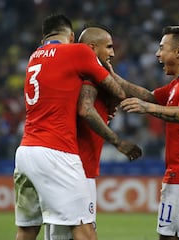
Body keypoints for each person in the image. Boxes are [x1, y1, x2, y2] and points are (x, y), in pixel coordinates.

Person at [14, 14, 129, 240]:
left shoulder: (34, 57)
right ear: (72, 36)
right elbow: (118, 91)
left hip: (25, 152)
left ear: (44, 38)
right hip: (56, 151)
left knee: (27, 231)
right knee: (84, 229)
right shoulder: (77, 51)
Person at [118, 25, 179, 240]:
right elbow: (147, 96)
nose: (157, 54)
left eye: (162, 48)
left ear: (178, 52)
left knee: (178, 237)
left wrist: (147, 109)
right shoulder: (178, 84)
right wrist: (107, 74)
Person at [44, 24, 142, 240]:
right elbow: (87, 109)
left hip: (71, 165)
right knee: (80, 233)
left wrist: (159, 101)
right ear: (91, 48)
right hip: (77, 168)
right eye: (108, 47)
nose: (113, 53)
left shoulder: (82, 76)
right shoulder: (88, 79)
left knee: (59, 232)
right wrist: (118, 142)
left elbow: (120, 88)